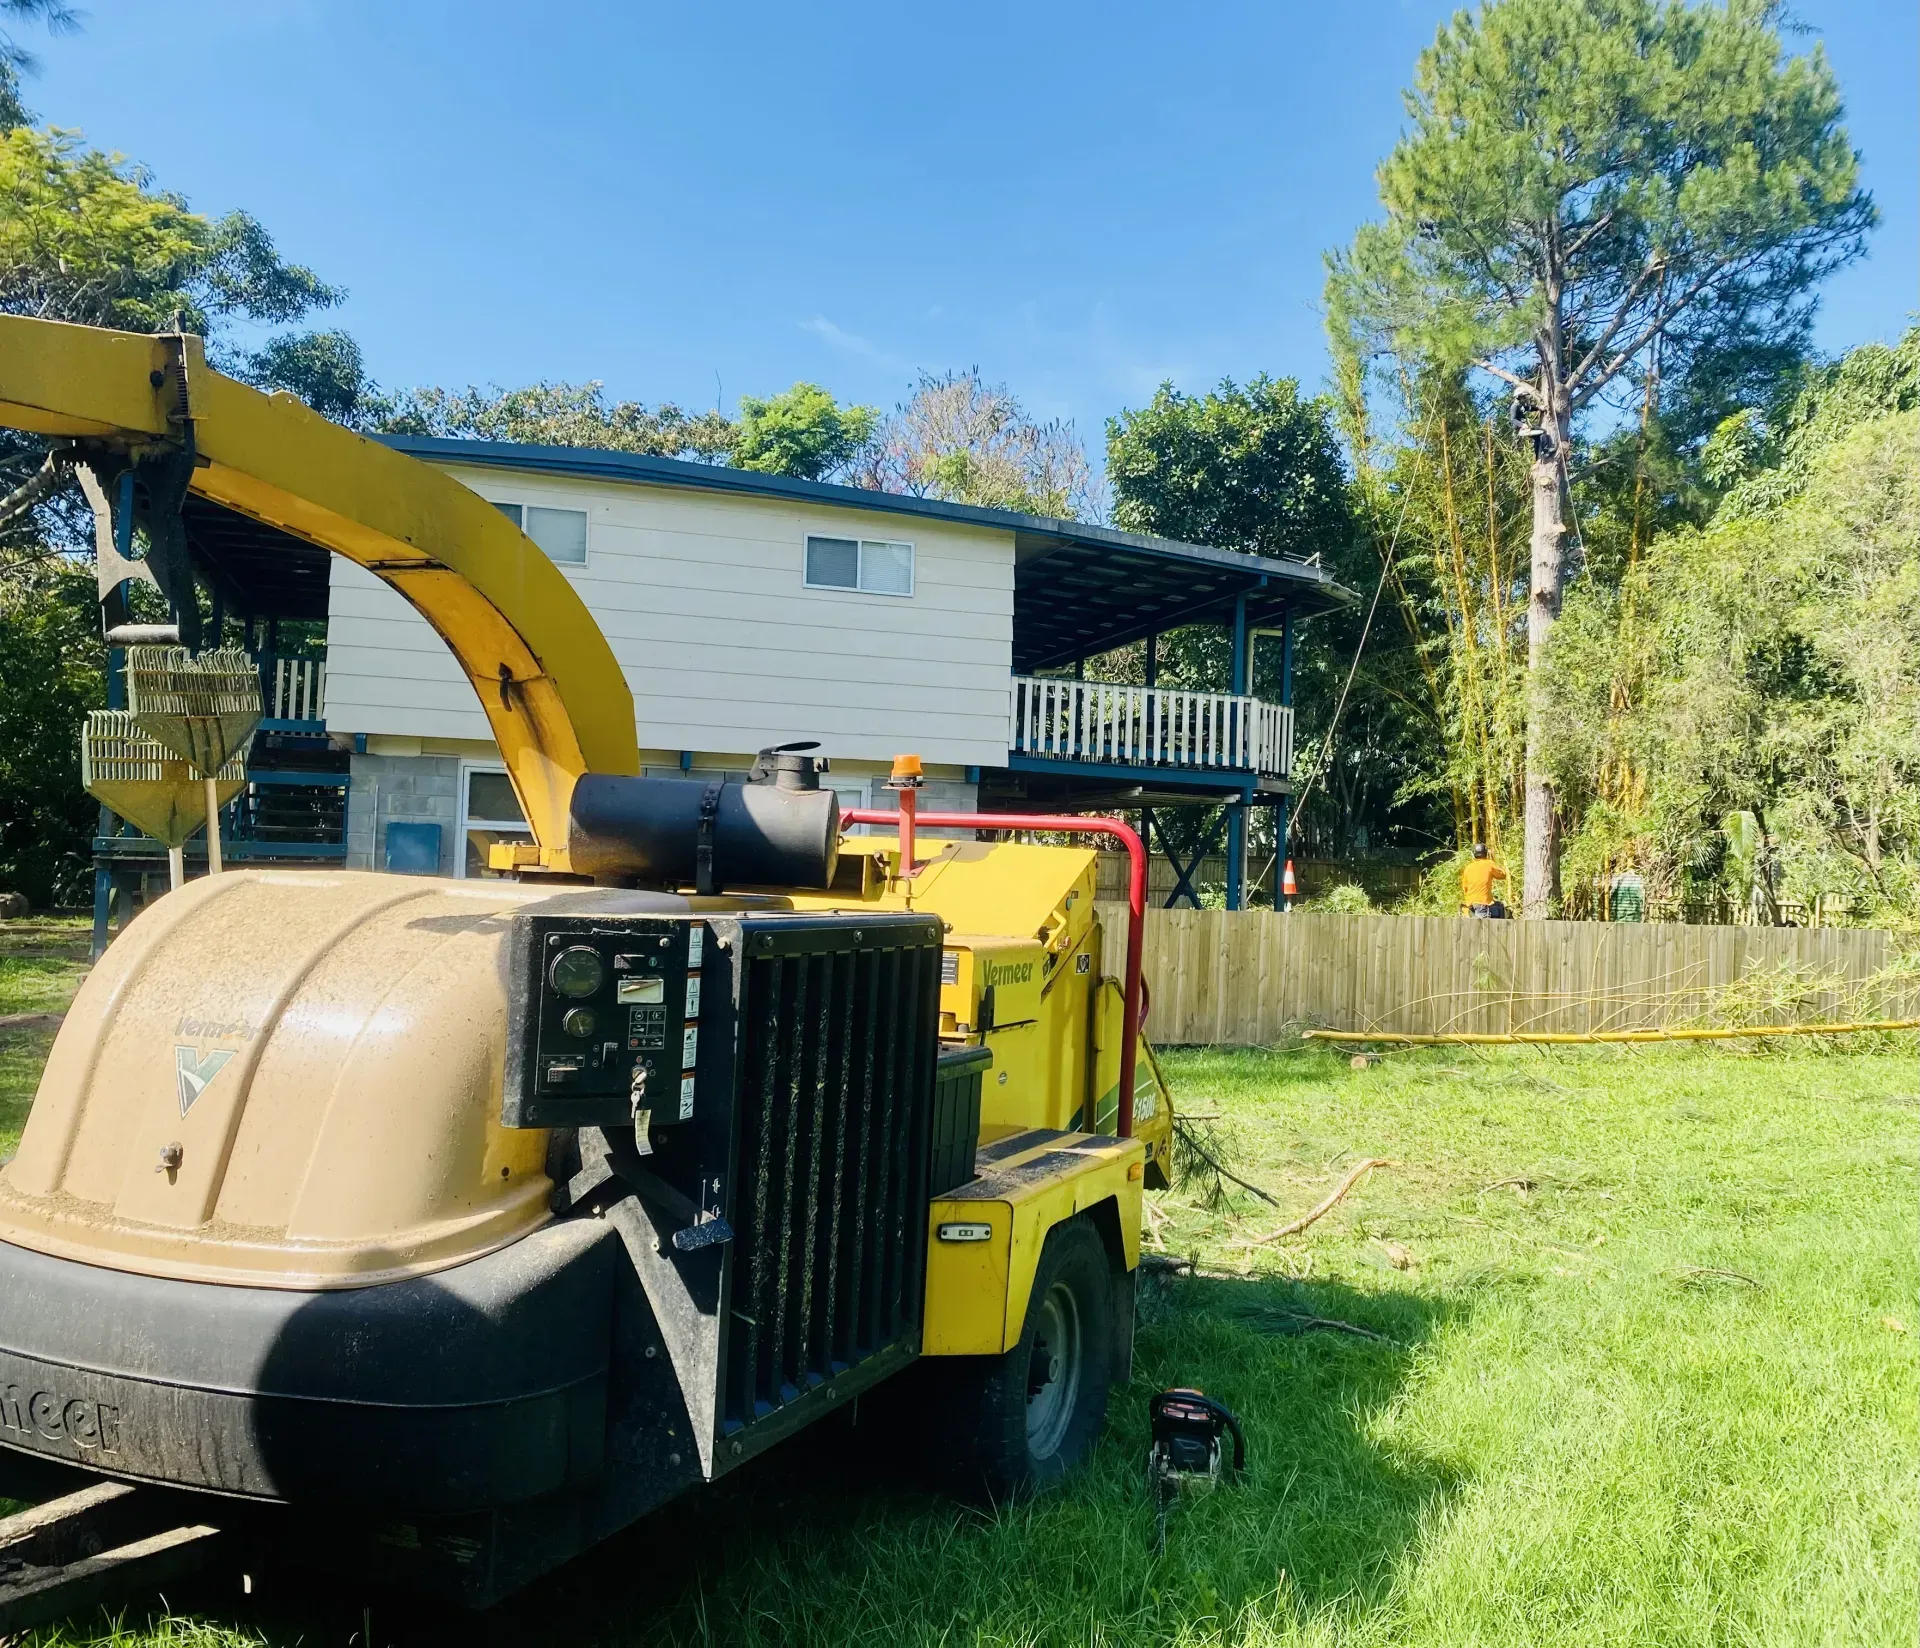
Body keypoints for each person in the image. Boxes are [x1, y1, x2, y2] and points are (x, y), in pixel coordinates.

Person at [1460, 843, 1508, 918]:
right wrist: (1493, 859)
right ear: (1486, 853)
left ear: (1473, 854)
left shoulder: (1468, 868)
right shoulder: (1489, 864)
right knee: (1483, 928)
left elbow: (1465, 888)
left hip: (1470, 904)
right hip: (1482, 903)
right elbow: (1502, 875)